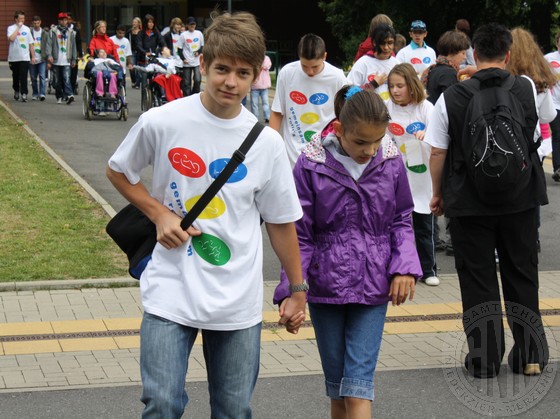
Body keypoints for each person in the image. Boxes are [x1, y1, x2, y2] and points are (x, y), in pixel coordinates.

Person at [106, 12, 306, 418]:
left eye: (243, 73)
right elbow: (118, 169)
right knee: (161, 404)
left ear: (256, 78)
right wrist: (159, 213)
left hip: (236, 299)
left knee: (233, 410)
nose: (231, 82)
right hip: (170, 288)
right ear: (202, 65)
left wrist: (296, 288)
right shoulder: (162, 122)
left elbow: (282, 222)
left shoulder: (266, 144)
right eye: (222, 69)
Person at [274, 85, 421, 418]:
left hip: (373, 286)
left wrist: (404, 266)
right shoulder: (310, 164)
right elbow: (300, 233)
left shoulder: (391, 158)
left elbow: (401, 218)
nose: (369, 150)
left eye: (376, 140)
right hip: (326, 286)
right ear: (338, 129)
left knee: (357, 389)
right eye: (360, 142)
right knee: (339, 389)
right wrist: (291, 291)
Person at [425, 23, 549, 378]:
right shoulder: (524, 87)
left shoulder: (453, 97)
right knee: (522, 275)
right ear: (508, 54)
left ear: (472, 54)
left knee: (478, 280)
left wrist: (438, 194)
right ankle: (531, 356)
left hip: (469, 200)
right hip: (520, 198)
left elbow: (437, 151)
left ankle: (484, 361)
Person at [386, 63, 438, 286]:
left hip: (422, 176)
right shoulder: (387, 107)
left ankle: (429, 270)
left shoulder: (426, 108)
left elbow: (440, 135)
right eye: (391, 86)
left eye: (400, 85)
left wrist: (427, 134)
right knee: (396, 225)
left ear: (411, 84)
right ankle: (399, 268)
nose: (395, 90)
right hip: (396, 176)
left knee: (424, 226)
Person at [506, 27, 557, 253]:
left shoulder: (504, 79)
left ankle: (506, 242)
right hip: (530, 146)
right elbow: (548, 116)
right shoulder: (540, 82)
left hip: (505, 143)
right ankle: (531, 238)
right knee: (531, 194)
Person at [270, 33, 347, 165]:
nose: (310, 72)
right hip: (292, 156)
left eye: (315, 67)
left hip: (325, 154)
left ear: (324, 56)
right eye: (304, 66)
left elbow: (346, 116)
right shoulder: (287, 73)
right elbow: (277, 112)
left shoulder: (337, 77)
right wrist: (271, 146)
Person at [347, 24, 397, 101]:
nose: (386, 47)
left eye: (390, 43)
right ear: (374, 43)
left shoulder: (397, 64)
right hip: (368, 111)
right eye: (382, 43)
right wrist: (373, 85)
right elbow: (348, 94)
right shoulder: (363, 63)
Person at [422, 30, 471, 105]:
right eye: (463, 53)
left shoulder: (433, 69)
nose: (465, 57)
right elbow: (453, 103)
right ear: (452, 52)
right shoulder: (449, 73)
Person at [46, 12, 77, 104]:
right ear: (59, 21)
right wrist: (49, 56)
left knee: (66, 78)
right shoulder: (53, 31)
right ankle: (59, 96)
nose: (64, 21)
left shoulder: (71, 32)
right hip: (56, 60)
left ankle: (69, 95)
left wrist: (73, 59)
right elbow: (49, 45)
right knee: (57, 80)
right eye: (62, 20)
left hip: (66, 59)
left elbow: (73, 46)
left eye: (65, 20)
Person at [7, 10, 35, 102]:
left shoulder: (27, 29)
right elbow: (11, 39)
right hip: (14, 58)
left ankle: (24, 93)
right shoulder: (11, 28)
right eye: (20, 18)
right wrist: (18, 28)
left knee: (23, 76)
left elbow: (31, 44)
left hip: (25, 57)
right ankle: (16, 90)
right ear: (15, 19)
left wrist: (33, 56)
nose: (22, 20)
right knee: (15, 76)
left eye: (23, 18)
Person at [544, 32, 560, 181]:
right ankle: (557, 168)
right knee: (557, 133)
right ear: (557, 43)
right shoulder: (549, 58)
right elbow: (540, 74)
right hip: (554, 104)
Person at [136, 14, 166, 88]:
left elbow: (162, 42)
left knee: (158, 76)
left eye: (152, 22)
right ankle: (144, 97)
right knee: (144, 78)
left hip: (154, 58)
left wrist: (163, 49)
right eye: (149, 22)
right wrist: (145, 52)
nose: (151, 24)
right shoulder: (141, 33)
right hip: (143, 59)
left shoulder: (156, 33)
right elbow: (138, 46)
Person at [180, 16, 204, 96]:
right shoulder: (183, 35)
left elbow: (202, 46)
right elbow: (179, 49)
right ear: (187, 25)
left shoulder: (199, 33)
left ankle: (195, 95)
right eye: (190, 24)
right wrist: (183, 59)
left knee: (197, 80)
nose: (192, 26)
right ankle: (187, 97)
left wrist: (198, 51)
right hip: (187, 61)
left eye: (193, 24)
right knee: (186, 82)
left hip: (196, 61)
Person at [29, 15, 48, 101]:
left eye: (38, 23)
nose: (36, 25)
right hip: (32, 58)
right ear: (32, 23)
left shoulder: (45, 33)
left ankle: (42, 94)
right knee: (33, 77)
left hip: (42, 58)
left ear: (40, 22)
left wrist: (48, 56)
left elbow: (48, 45)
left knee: (42, 76)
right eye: (35, 23)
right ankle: (35, 93)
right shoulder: (30, 32)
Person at [250, 54, 272, 122]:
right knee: (255, 104)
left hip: (263, 86)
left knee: (265, 103)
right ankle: (255, 118)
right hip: (255, 86)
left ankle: (267, 117)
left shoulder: (266, 58)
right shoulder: (254, 58)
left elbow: (267, 66)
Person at [66, 12, 82, 95]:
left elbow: (79, 42)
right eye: (66, 19)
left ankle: (71, 91)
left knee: (73, 74)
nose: (67, 21)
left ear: (71, 20)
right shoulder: (62, 29)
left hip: (74, 54)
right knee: (65, 74)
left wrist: (81, 55)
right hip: (64, 55)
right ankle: (65, 90)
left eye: (69, 19)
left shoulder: (75, 30)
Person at [127, 17, 142, 88]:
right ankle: (134, 80)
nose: (134, 23)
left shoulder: (141, 32)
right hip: (132, 51)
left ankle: (138, 83)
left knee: (138, 67)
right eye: (133, 22)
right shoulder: (130, 32)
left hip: (139, 51)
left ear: (139, 23)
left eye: (136, 22)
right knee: (132, 67)